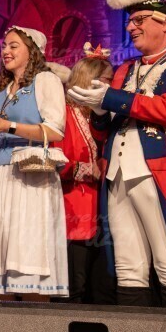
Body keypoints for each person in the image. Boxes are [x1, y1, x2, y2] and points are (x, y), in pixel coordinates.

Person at [70, 0, 166, 307]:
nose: (130, 27)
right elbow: (105, 132)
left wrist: (112, 99)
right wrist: (100, 113)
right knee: (128, 266)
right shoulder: (126, 69)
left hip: (159, 173)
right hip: (117, 175)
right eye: (129, 21)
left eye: (139, 19)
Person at [0, 26, 68, 300]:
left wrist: (8, 125)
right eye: (4, 46)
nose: (5, 51)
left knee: (28, 266)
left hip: (28, 180)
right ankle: (0, 328)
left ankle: (35, 328)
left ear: (32, 51)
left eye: (13, 46)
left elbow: (55, 131)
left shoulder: (45, 81)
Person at [59, 49, 112, 304]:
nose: (112, 86)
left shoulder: (100, 116)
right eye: (108, 80)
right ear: (91, 80)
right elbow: (56, 161)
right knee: (75, 283)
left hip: (99, 206)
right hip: (73, 208)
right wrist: (90, 170)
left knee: (97, 284)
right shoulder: (64, 113)